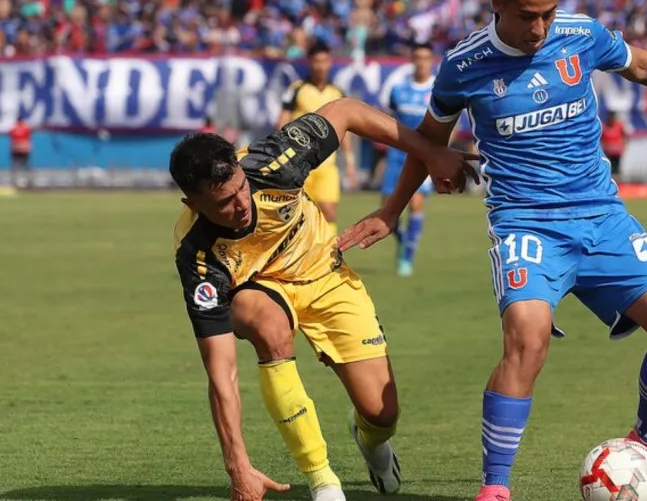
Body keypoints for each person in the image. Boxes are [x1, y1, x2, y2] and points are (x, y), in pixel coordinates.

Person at [339, 0, 647, 501]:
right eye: (527, 14)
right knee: (526, 340)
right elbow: (429, 144)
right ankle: (496, 488)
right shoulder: (465, 64)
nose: (539, 27)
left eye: (548, 13)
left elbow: (641, 62)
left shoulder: (581, 33)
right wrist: (392, 210)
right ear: (497, 2)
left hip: (601, 215)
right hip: (525, 226)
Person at [171, 99, 478, 501]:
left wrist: (432, 151)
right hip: (265, 288)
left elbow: (347, 111)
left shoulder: (274, 162)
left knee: (382, 413)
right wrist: (238, 466)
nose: (241, 206)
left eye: (240, 191)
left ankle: (370, 439)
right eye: (224, 204)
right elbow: (221, 372)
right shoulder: (197, 256)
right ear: (192, 205)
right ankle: (323, 481)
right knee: (267, 324)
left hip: (325, 274)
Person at [278, 40, 358, 232]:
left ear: (330, 62)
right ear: (309, 62)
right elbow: (282, 121)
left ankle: (327, 258)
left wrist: (349, 162)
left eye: (324, 61)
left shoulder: (337, 92)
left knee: (329, 211)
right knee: (298, 215)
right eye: (316, 61)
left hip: (327, 164)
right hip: (300, 163)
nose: (320, 66)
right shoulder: (297, 89)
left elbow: (345, 129)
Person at [382, 43, 438, 276]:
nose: (421, 62)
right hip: (397, 154)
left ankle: (407, 258)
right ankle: (404, 240)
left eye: (425, 57)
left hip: (422, 155)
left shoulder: (437, 89)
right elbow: (390, 118)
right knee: (386, 207)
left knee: (415, 203)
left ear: (432, 61)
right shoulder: (398, 89)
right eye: (417, 57)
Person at [600, 111, 629, 183]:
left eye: (613, 118)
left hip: (617, 152)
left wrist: (624, 145)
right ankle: (607, 183)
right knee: (608, 167)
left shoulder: (619, 125)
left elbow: (625, 136)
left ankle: (619, 184)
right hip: (607, 152)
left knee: (617, 168)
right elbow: (600, 138)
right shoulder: (604, 127)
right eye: (610, 118)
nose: (611, 119)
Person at [9, 115, 31, 188]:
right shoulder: (25, 127)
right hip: (23, 148)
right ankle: (25, 180)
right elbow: (28, 137)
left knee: (16, 165)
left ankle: (15, 180)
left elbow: (12, 137)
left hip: (16, 148)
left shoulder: (14, 128)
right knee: (24, 165)